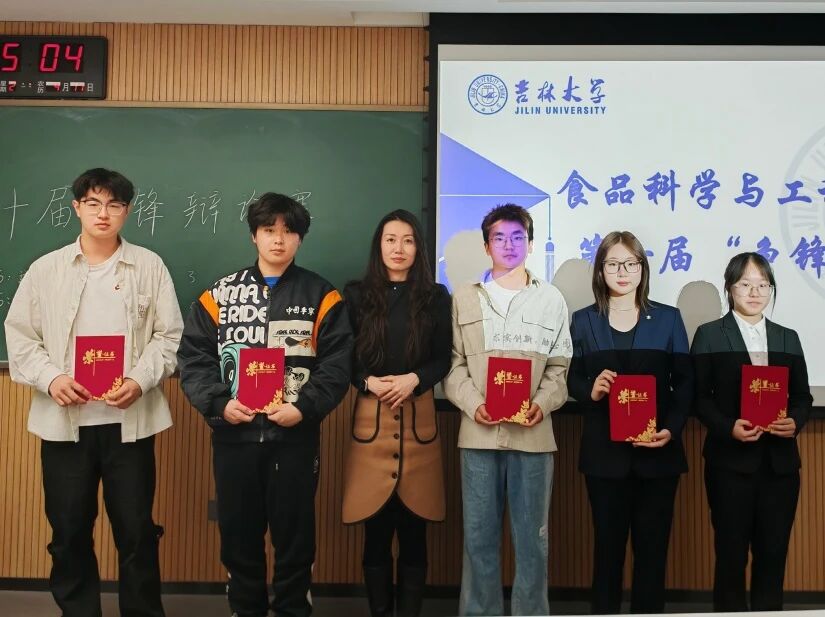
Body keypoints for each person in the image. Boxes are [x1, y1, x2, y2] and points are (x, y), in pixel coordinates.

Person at [4, 167, 183, 617]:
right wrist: (51, 378)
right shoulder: (45, 270)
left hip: (131, 423)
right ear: (76, 208)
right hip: (64, 425)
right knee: (68, 531)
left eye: (114, 205)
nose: (103, 213)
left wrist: (139, 380)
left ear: (127, 211)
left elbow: (169, 336)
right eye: (93, 203)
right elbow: (20, 335)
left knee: (137, 532)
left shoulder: (150, 266)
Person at [176, 192, 352, 617]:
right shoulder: (220, 295)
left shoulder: (322, 296)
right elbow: (194, 359)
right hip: (234, 436)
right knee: (239, 534)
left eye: (288, 231)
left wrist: (304, 408)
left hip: (294, 437)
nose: (278, 239)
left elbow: (337, 364)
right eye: (269, 230)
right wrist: (219, 403)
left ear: (300, 239)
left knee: (295, 537)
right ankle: (245, 609)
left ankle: (293, 609)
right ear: (253, 235)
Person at [443, 203, 571, 616]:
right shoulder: (464, 298)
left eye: (518, 237)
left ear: (530, 245)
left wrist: (542, 404)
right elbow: (452, 366)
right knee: (478, 538)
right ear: (487, 247)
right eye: (499, 237)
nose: (509, 245)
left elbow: (560, 368)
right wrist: (474, 404)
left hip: (533, 437)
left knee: (533, 541)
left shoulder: (550, 299)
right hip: (478, 435)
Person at [567, 231, 693, 614]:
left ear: (642, 268)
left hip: (657, 455)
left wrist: (670, 429)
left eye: (630, 263)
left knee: (652, 554)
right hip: (604, 457)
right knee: (607, 552)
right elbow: (571, 379)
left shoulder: (668, 319)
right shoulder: (584, 320)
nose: (622, 272)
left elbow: (685, 382)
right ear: (600, 270)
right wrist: (591, 389)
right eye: (612, 264)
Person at [341, 210, 451, 617]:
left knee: (414, 533)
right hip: (370, 420)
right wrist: (367, 382)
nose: (399, 248)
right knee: (375, 532)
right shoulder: (356, 295)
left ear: (418, 248)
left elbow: (443, 359)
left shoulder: (435, 297)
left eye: (408, 240)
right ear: (379, 245)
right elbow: (342, 356)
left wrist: (414, 380)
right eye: (391, 239)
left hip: (419, 419)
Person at [691, 252, 812, 612]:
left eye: (763, 284)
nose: (755, 292)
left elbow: (802, 396)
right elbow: (699, 397)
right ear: (730, 288)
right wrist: (728, 427)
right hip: (730, 465)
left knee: (773, 555)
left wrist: (795, 421)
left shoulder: (787, 337)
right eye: (745, 284)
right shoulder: (710, 334)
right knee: (730, 556)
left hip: (780, 467)